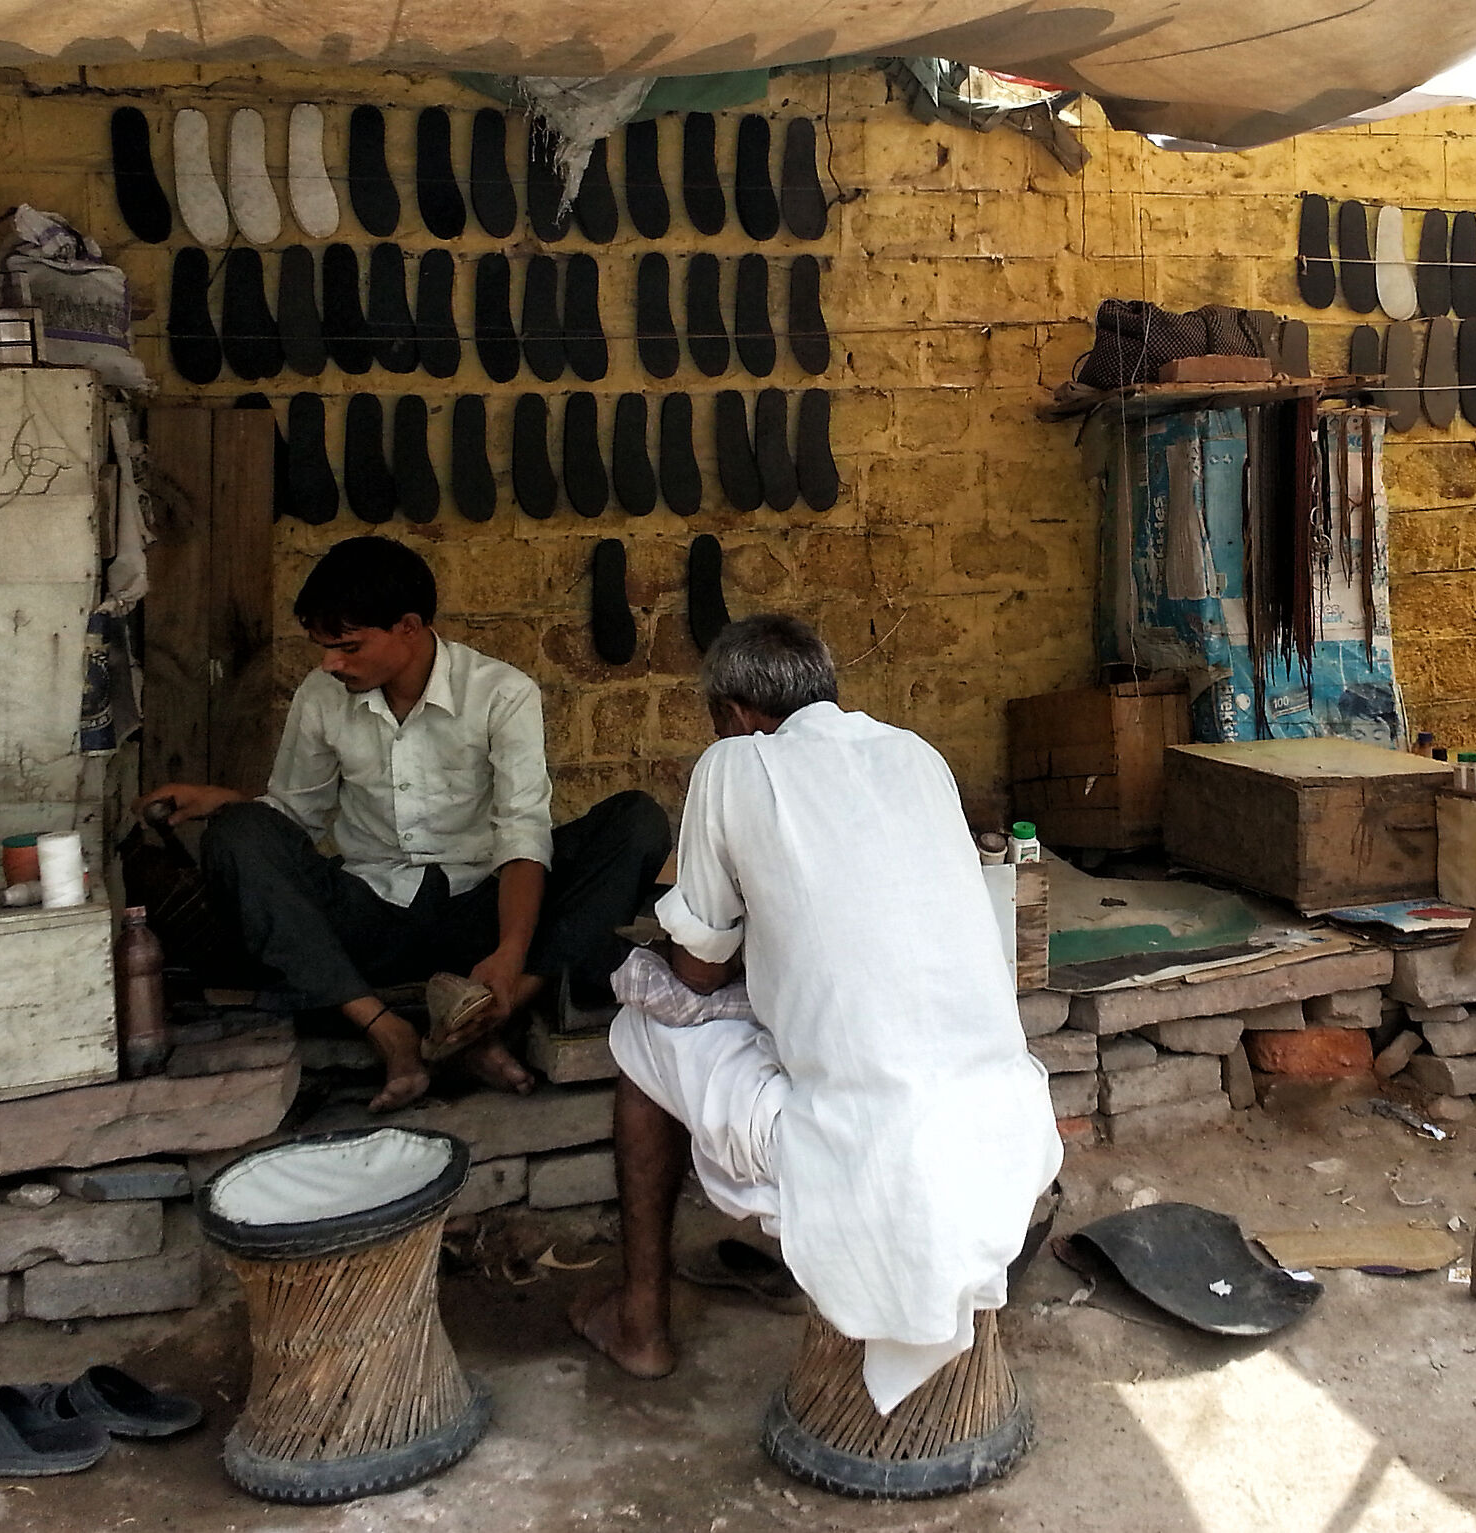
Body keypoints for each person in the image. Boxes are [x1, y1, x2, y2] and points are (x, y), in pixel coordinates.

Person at [572, 615, 1060, 1411]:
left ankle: (641, 1322)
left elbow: (697, 970)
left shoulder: (733, 765)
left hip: (862, 1149)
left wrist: (662, 960)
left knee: (639, 1035)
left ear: (731, 715)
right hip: (1005, 1124)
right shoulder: (917, 754)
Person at [140, 536, 671, 1112]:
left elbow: (523, 829)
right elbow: (295, 815)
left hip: (480, 918)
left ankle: (494, 1012)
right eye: (324, 649)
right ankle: (387, 1030)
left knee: (636, 823)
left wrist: (510, 954)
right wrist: (225, 803)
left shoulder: (500, 692)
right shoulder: (321, 697)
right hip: (368, 918)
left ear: (409, 627)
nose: (330, 663)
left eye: (347, 647)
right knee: (238, 834)